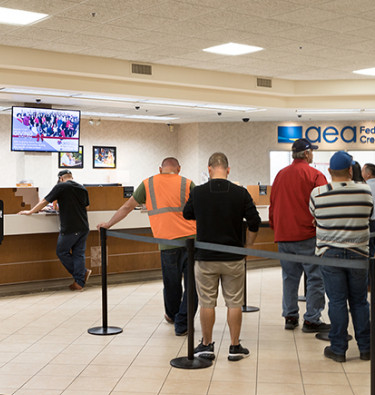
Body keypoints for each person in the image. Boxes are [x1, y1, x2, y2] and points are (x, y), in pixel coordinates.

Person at [97, 157, 197, 336]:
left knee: (171, 283)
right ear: (179, 168)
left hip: (167, 243)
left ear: (160, 169)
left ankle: (174, 317)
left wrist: (109, 224)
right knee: (192, 285)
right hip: (192, 241)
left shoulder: (148, 183)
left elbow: (128, 207)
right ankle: (183, 323)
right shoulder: (188, 183)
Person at [183, 152, 260, 361]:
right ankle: (235, 347)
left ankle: (207, 345)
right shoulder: (240, 193)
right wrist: (248, 247)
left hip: (205, 257)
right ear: (228, 169)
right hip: (234, 256)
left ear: (209, 169)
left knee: (207, 303)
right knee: (234, 302)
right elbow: (254, 222)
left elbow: (187, 214)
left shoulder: (198, 192)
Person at [310, 151, 375, 362]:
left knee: (337, 301)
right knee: (359, 301)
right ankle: (366, 348)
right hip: (359, 254)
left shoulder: (318, 193)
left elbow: (315, 218)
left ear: (329, 171)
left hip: (330, 255)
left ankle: (338, 349)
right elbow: (368, 215)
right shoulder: (365, 191)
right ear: (351, 170)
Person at [269, 138, 330, 332]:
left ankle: (290, 316)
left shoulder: (280, 175)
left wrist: (275, 227)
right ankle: (312, 318)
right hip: (308, 235)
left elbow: (273, 205)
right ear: (306, 153)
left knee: (289, 277)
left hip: (284, 235)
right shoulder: (315, 175)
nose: (313, 154)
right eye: (312, 151)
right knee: (315, 277)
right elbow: (325, 205)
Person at [20, 169, 91, 291]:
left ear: (61, 178)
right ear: (71, 177)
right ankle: (79, 283)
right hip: (84, 226)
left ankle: (82, 274)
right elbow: (87, 207)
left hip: (70, 227)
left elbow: (44, 201)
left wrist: (31, 211)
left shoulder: (61, 186)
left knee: (62, 252)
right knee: (78, 254)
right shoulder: (82, 188)